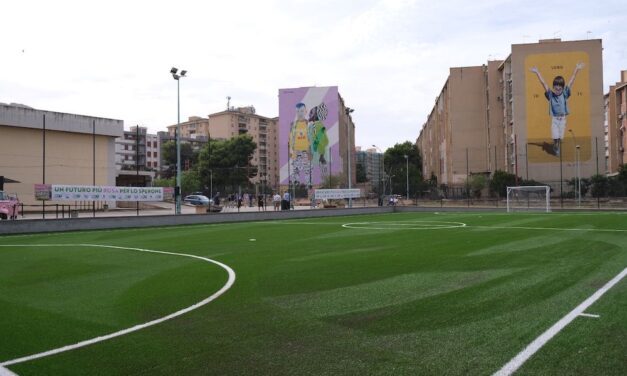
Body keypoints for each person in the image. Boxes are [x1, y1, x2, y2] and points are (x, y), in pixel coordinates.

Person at [530, 62, 584, 157]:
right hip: (555, 119)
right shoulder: (551, 95)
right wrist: (537, 72)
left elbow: (571, 81)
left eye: (560, 87)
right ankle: (556, 146)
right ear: (553, 87)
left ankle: (557, 146)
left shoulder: (564, 94)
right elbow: (543, 84)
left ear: (562, 88)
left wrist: (577, 69)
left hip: (562, 119)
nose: (557, 88)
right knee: (555, 136)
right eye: (556, 86)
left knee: (560, 137)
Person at [289, 103, 311, 184]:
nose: (300, 113)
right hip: (296, 151)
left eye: (302, 111)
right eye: (298, 111)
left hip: (306, 151)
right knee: (295, 170)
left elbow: (311, 138)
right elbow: (291, 138)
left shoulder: (309, 124)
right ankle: (296, 185)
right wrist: (291, 151)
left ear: (306, 111)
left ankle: (308, 185)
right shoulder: (293, 125)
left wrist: (310, 151)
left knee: (307, 170)